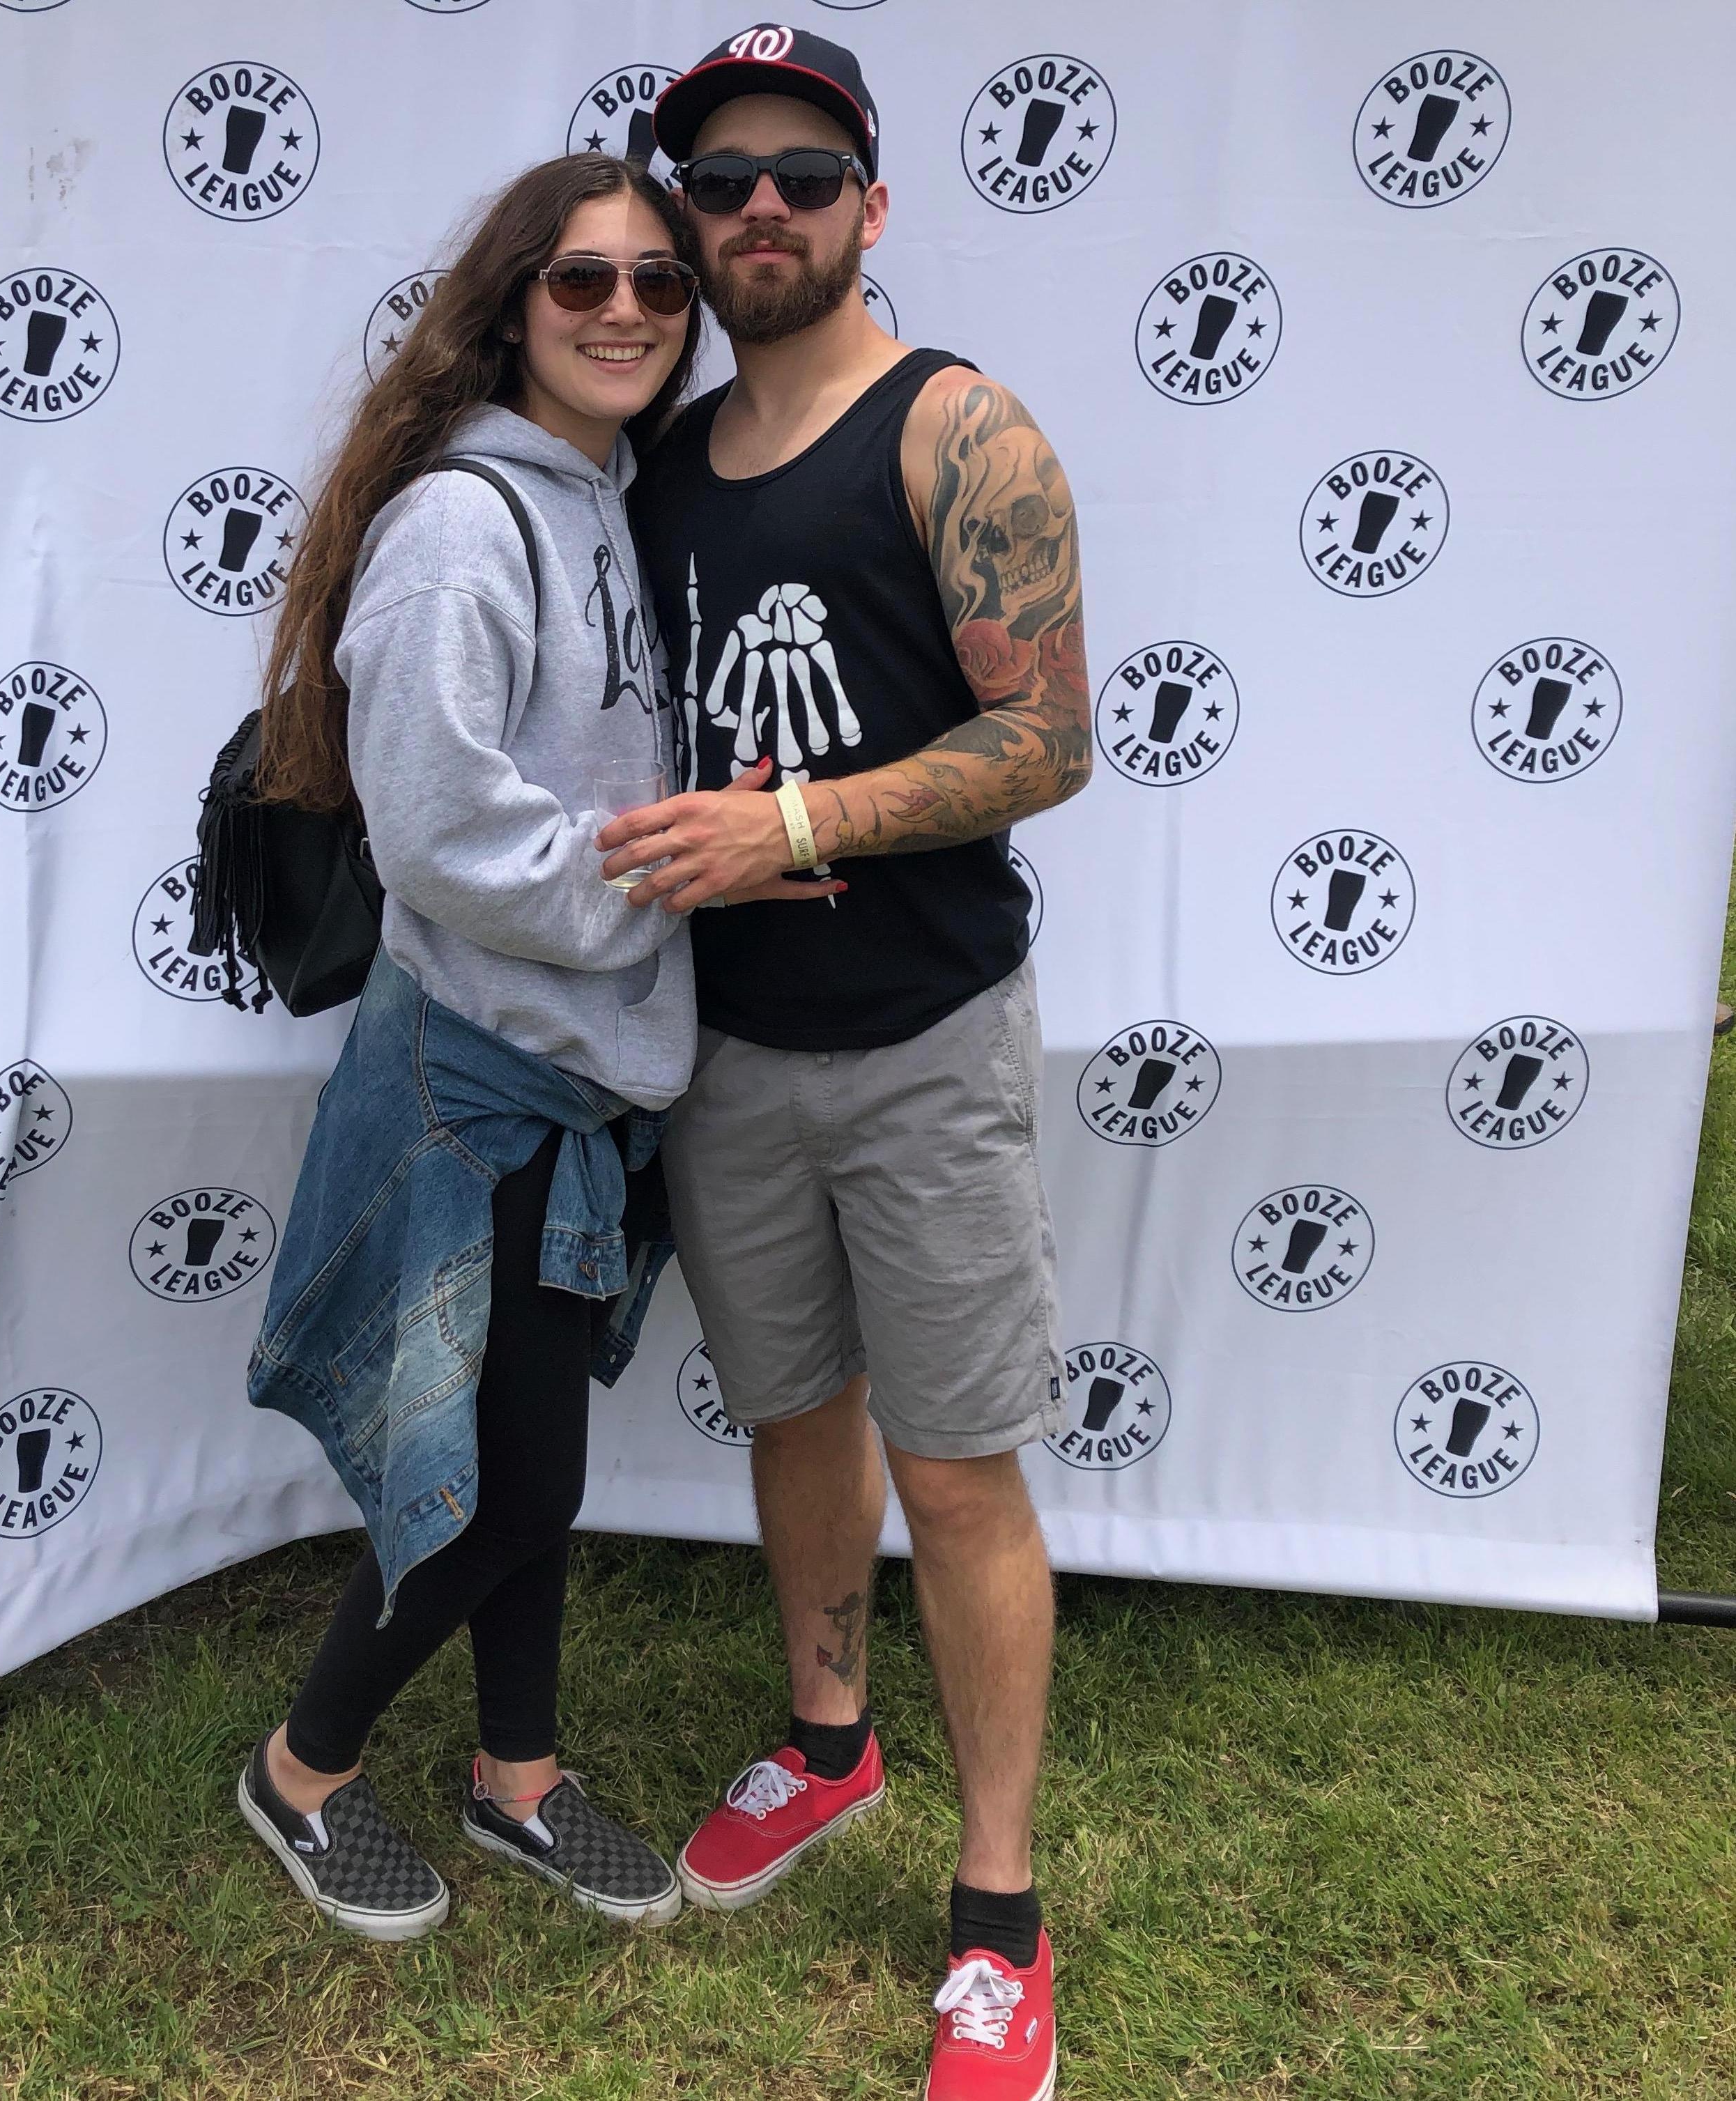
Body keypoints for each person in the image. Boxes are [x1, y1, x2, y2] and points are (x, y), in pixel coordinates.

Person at [233, 151, 838, 1941]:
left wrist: (709, 828)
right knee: (505, 1482)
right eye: (581, 279)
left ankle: (518, 1774)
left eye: (660, 280)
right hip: (479, 1077)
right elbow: (438, 833)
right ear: (511, 307)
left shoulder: (607, 499)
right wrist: (680, 885)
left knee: (524, 1455)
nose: (627, 309)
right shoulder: (459, 527)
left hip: (575, 1071)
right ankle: (300, 1770)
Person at [601, 28, 1092, 2098]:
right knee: (794, 1413)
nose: (760, 209)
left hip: (922, 1042)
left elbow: (1049, 738)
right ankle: (827, 1743)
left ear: (870, 205)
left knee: (957, 1466)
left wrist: (795, 821)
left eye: (803, 175)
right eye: (719, 180)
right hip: (726, 1046)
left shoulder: (955, 428)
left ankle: (999, 1919)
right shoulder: (657, 463)